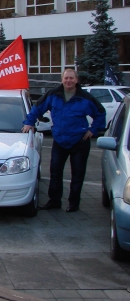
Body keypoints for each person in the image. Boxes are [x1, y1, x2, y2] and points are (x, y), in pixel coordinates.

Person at [22, 68, 106, 213]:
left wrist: (93, 130)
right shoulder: (53, 94)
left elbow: (100, 113)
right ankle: (54, 201)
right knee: (55, 172)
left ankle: (74, 203)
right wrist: (29, 122)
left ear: (76, 80)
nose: (68, 81)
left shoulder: (85, 97)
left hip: (79, 141)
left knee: (77, 174)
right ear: (62, 79)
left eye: (71, 78)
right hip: (59, 141)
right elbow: (37, 108)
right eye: (66, 78)